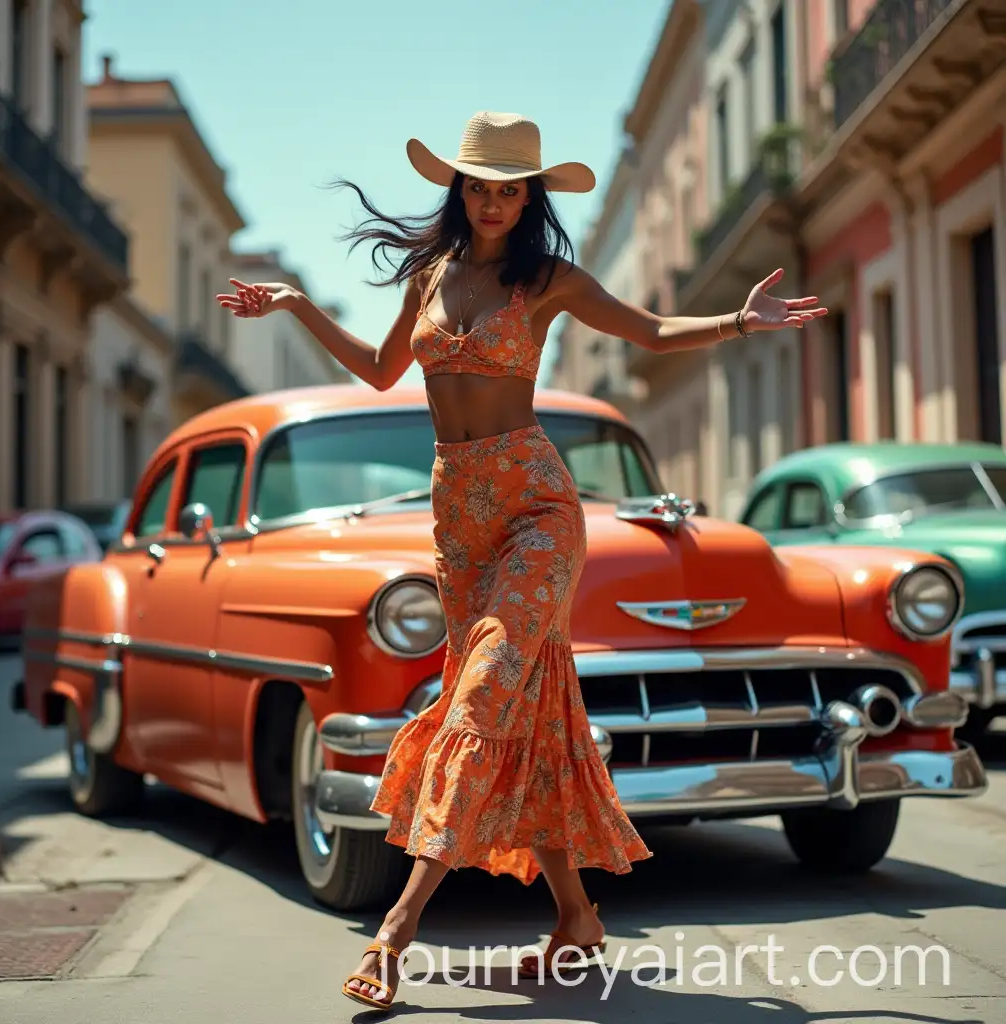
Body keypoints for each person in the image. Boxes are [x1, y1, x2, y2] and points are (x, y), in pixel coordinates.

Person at [216, 110, 828, 1011]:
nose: (495, 202)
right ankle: (578, 916)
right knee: (525, 717)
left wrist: (740, 319)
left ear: (529, 196)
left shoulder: (547, 280)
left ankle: (395, 930)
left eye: (511, 188)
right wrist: (302, 306)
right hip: (459, 520)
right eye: (480, 185)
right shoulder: (428, 273)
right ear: (458, 190)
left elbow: (652, 332)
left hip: (537, 505)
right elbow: (384, 373)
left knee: (478, 699)